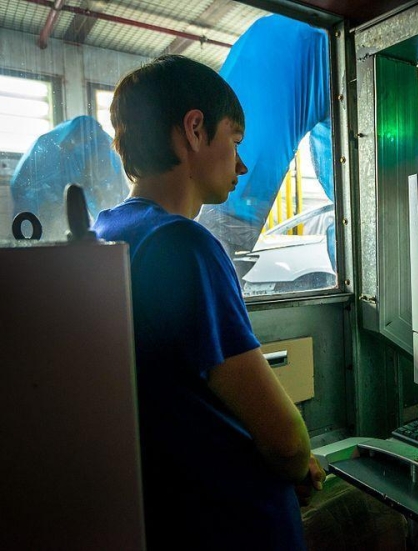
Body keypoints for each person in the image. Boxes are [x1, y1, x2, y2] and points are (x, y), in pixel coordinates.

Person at [92, 54, 325, 550]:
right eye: (234, 141)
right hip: (231, 525)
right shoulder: (184, 245)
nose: (241, 164)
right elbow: (285, 440)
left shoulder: (107, 231)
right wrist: (297, 462)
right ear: (195, 130)